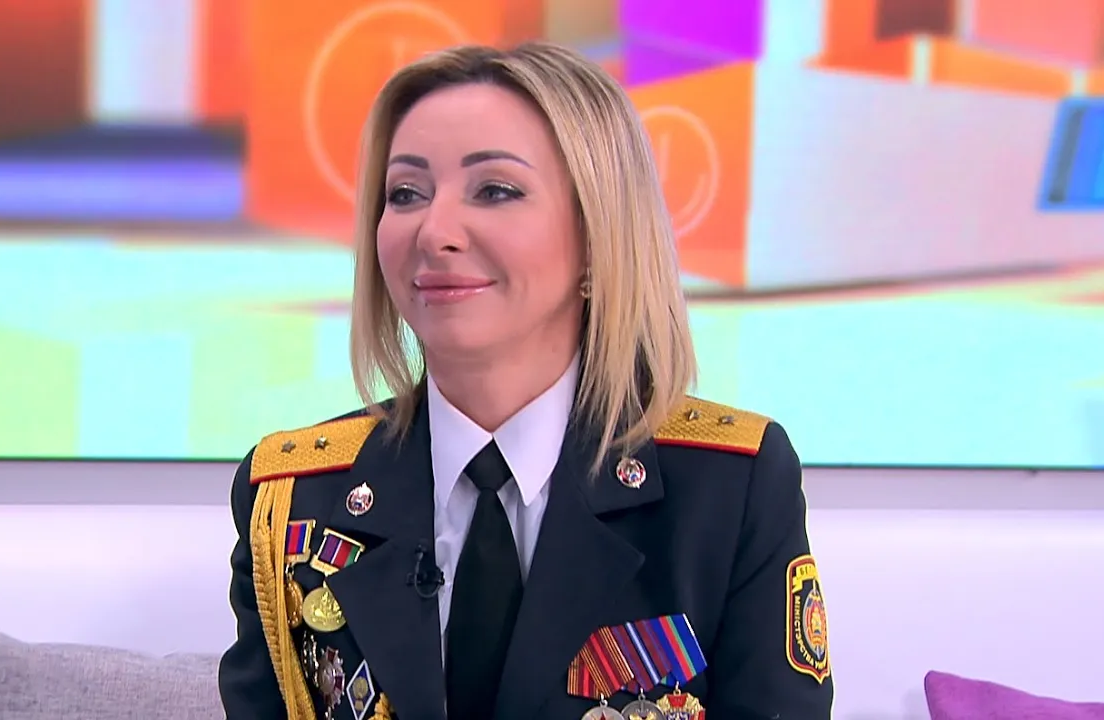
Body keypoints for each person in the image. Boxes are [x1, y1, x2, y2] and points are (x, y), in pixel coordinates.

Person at [217, 41, 833, 720]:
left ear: (598, 234)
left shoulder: (728, 489)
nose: (434, 231)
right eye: (406, 194)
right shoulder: (291, 500)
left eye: (496, 191)